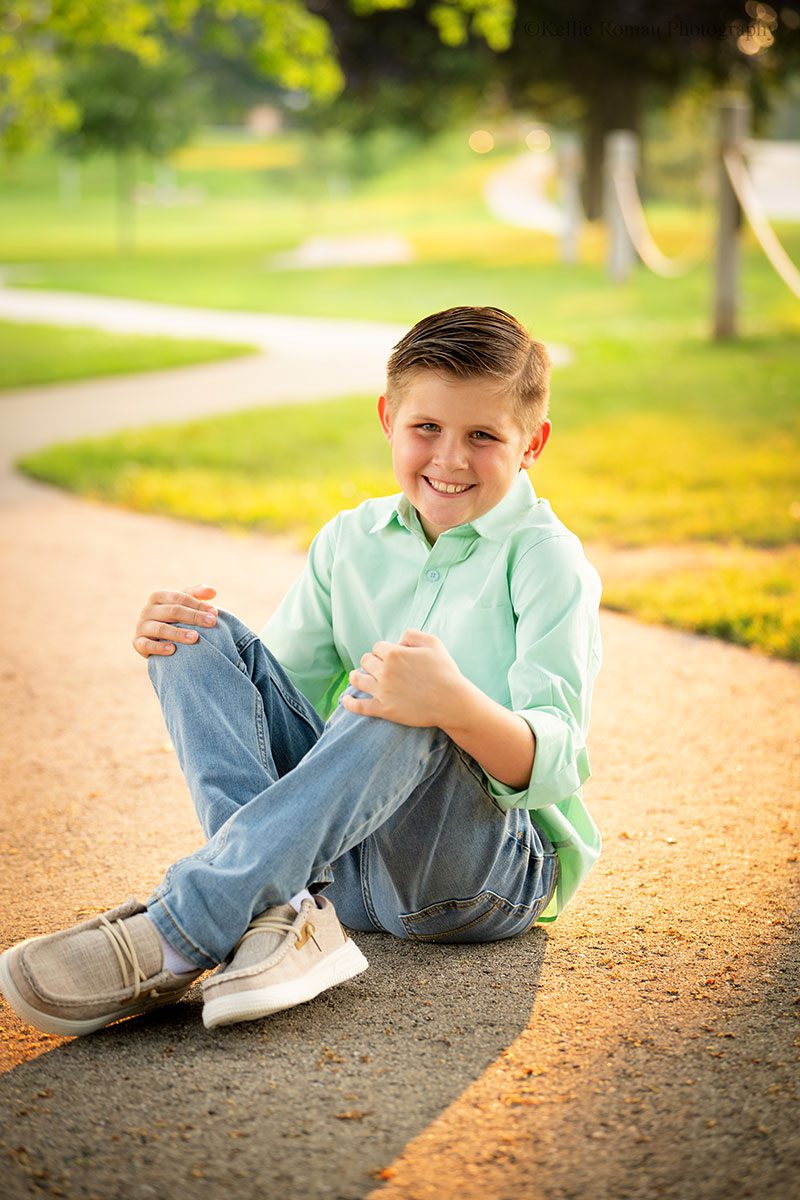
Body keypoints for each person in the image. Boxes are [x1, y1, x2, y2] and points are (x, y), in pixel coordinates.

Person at [0, 305, 602, 1038]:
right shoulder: (348, 540)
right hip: (345, 870)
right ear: (388, 419)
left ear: (531, 442)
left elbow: (559, 758)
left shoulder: (544, 557)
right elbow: (266, 727)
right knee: (197, 637)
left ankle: (183, 930)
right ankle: (283, 921)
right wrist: (180, 642)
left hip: (479, 878)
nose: (449, 458)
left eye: (482, 436)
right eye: (426, 429)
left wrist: (452, 705)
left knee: (401, 684)